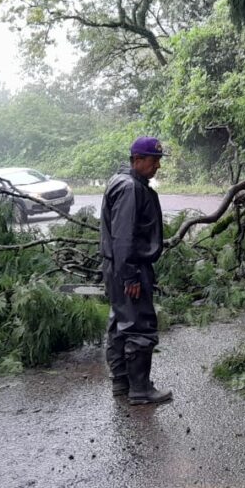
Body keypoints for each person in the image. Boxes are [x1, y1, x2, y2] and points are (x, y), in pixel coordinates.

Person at [99, 136, 172, 405]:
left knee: (120, 322)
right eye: (154, 161)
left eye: (159, 161)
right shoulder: (130, 188)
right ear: (138, 160)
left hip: (117, 264)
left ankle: (122, 383)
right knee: (139, 325)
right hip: (129, 265)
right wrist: (130, 274)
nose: (158, 167)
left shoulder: (123, 181)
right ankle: (140, 389)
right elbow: (123, 235)